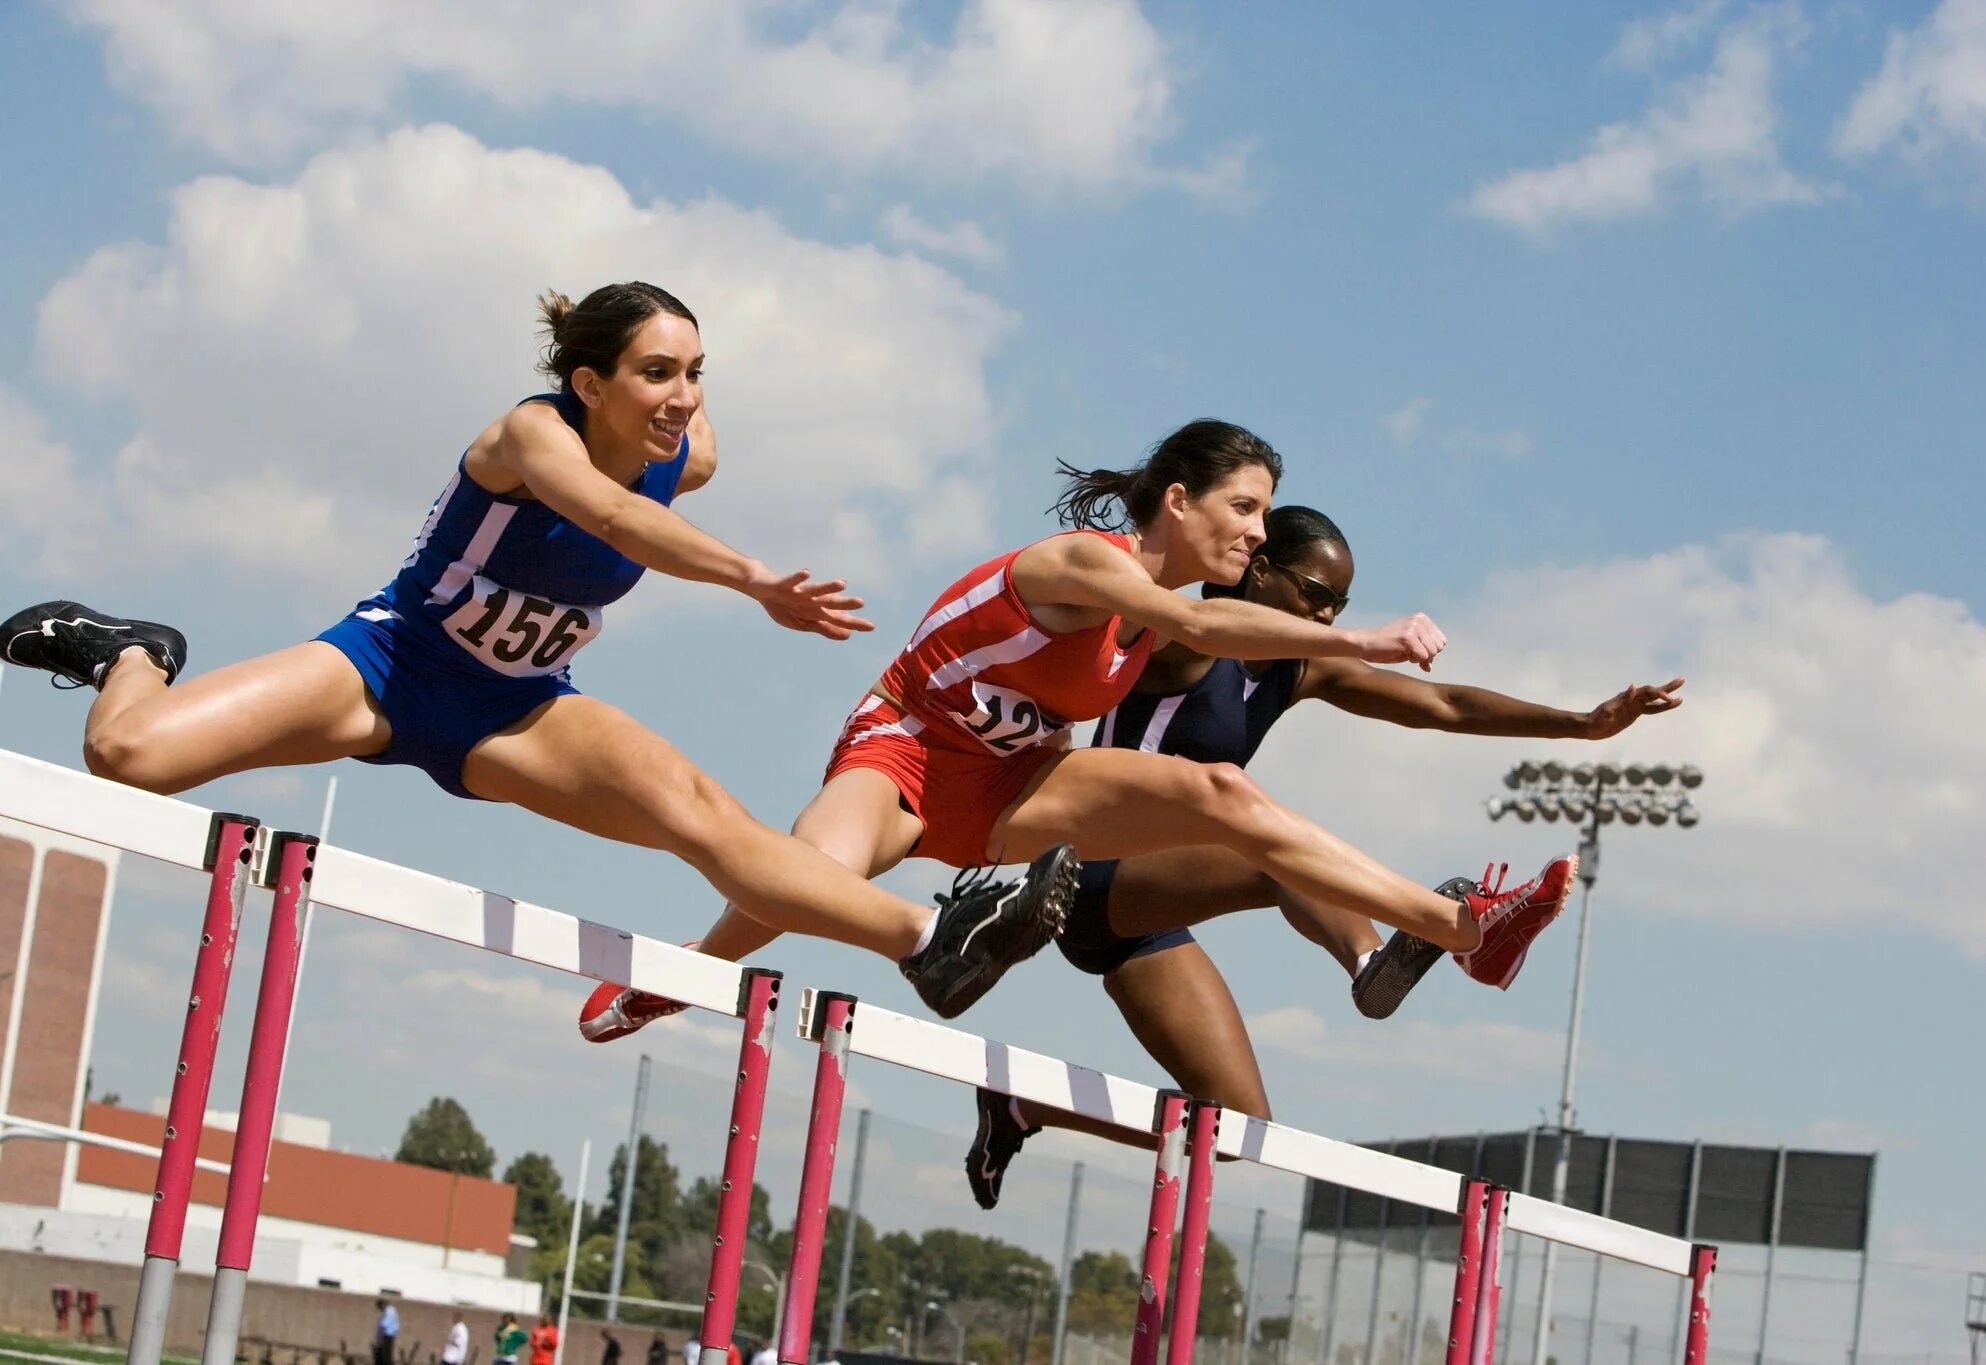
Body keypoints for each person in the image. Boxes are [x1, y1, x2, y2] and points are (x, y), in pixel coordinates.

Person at [1, 282, 1076, 1018]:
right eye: (657, 373)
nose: (684, 398)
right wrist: (754, 581)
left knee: (707, 822)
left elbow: (651, 487)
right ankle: (131, 649)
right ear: (587, 380)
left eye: (696, 372)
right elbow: (611, 522)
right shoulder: (528, 435)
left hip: (517, 707)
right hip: (388, 665)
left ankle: (933, 938)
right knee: (130, 759)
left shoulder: (685, 453)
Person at [583, 421, 1575, 1037]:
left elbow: (1207, 626)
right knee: (810, 872)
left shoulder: (1162, 606)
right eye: (1245, 507)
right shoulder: (1085, 564)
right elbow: (1197, 623)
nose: (1257, 534)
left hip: (1015, 784)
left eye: (1265, 517)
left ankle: (1462, 930)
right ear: (1176, 501)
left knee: (1222, 796)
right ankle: (678, 976)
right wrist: (1365, 639)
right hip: (908, 748)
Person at [957, 505, 1685, 1204]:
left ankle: (1023, 1107)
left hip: (1142, 917)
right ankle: (1376, 961)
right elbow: (1149, 615)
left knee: (1239, 1127)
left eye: (1340, 604)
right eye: (1316, 595)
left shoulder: (1297, 668)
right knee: (1262, 830)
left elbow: (1444, 705)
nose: (1328, 618)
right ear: (1260, 569)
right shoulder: (1184, 640)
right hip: (1090, 871)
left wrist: (1582, 725)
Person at [374, 1299, 400, 1365]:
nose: (380, 1310)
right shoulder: (389, 1311)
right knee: (383, 1356)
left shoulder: (390, 1311)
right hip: (387, 1336)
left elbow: (383, 1326)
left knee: (385, 1357)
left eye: (380, 1307)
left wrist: (379, 1338)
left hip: (387, 1336)